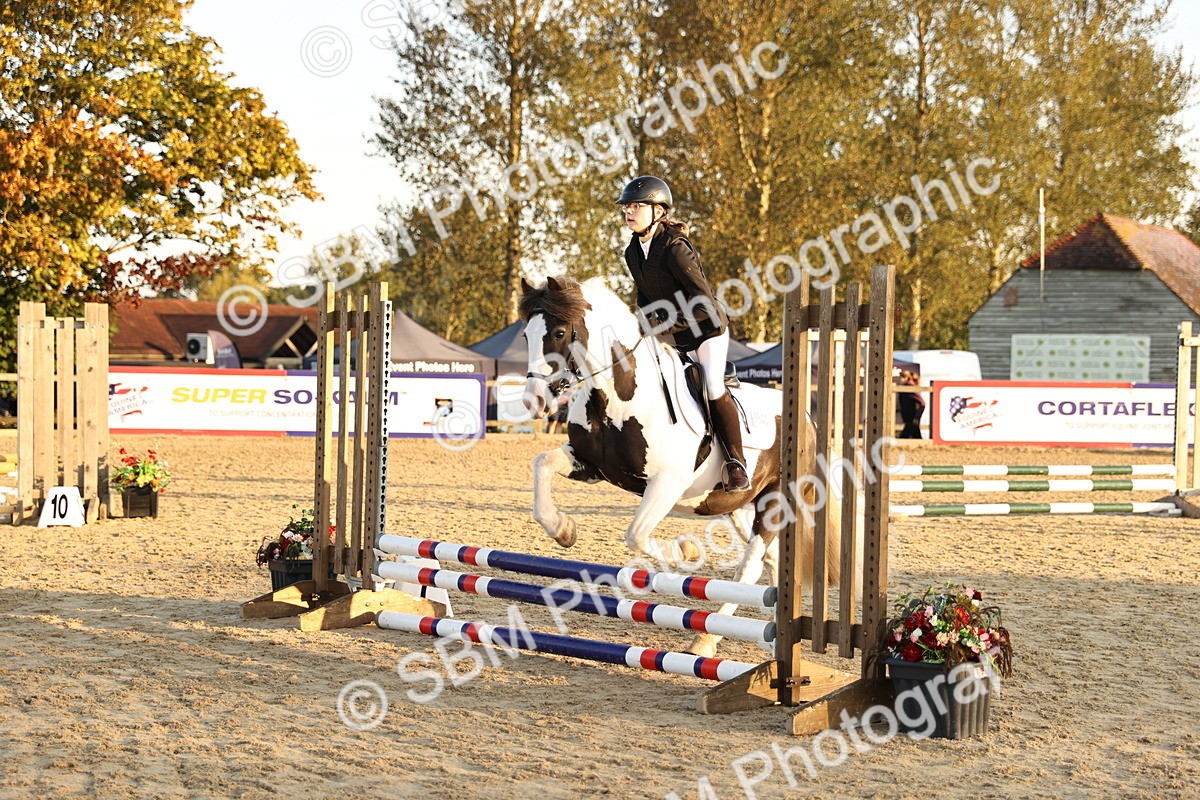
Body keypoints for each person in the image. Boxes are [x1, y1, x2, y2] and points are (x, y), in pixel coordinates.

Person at [616, 175, 749, 491]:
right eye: (627, 207)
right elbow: (646, 298)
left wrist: (661, 328)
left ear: (658, 211)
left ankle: (736, 464)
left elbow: (702, 303)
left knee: (712, 386)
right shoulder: (632, 252)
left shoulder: (675, 248)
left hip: (706, 330)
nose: (629, 212)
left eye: (637, 206)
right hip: (674, 333)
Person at [897, 369, 925, 439]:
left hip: (911, 419)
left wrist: (916, 417)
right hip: (911, 419)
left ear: (906, 378)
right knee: (917, 438)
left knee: (903, 437)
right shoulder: (905, 387)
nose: (900, 379)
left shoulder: (910, 388)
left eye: (901, 377)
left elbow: (922, 403)